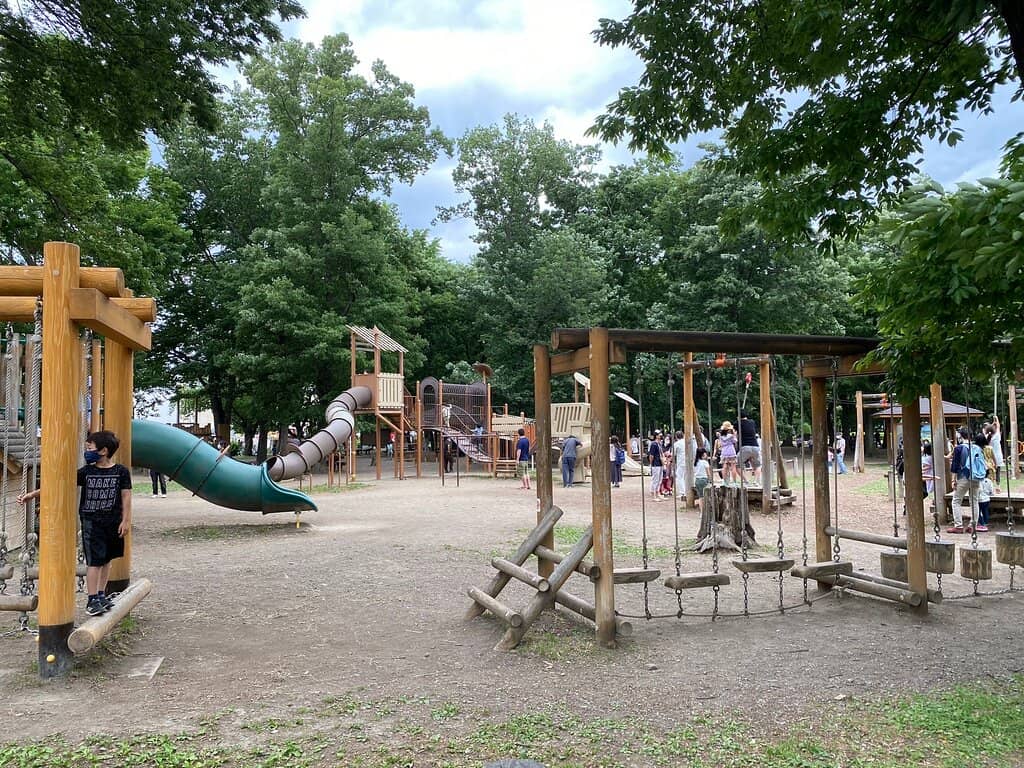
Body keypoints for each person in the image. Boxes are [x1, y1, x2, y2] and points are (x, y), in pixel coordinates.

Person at [19, 430, 132, 616]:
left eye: (90, 448)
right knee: (95, 561)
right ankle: (92, 598)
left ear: (103, 451)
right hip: (91, 521)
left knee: (107, 560)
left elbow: (126, 495)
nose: (87, 451)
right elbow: (60, 483)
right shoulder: (87, 472)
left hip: (113, 521)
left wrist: (126, 520)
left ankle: (101, 594)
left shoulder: (121, 472)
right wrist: (32, 495)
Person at [948, 427, 981, 534]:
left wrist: (953, 479)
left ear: (961, 436)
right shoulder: (977, 447)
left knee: (956, 501)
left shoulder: (959, 448)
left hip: (963, 477)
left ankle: (958, 525)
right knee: (974, 501)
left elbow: (955, 465)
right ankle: (973, 525)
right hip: (976, 477)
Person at [738, 411, 761, 482]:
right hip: (755, 446)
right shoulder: (752, 422)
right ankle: (756, 481)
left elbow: (735, 432)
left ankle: (745, 480)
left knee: (737, 464)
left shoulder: (738, 423)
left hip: (745, 446)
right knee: (758, 465)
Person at [717, 421, 739, 485]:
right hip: (731, 451)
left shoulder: (720, 436)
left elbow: (720, 444)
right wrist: (734, 434)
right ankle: (734, 482)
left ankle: (724, 481)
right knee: (733, 467)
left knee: (724, 467)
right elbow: (735, 441)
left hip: (724, 451)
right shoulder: (731, 436)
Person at [647, 430, 664, 500]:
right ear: (656, 436)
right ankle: (654, 494)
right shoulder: (654, 444)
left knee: (659, 479)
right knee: (656, 479)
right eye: (659, 434)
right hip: (655, 463)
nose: (661, 435)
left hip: (660, 463)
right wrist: (651, 464)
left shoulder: (659, 443)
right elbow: (651, 455)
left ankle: (657, 493)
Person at [694, 447, 711, 512]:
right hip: (704, 480)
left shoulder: (696, 462)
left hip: (697, 480)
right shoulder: (705, 462)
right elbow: (708, 473)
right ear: (703, 454)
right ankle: (706, 511)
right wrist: (710, 480)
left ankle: (702, 512)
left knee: (700, 497)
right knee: (706, 496)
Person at [988, 416, 1005, 484]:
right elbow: (998, 426)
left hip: (990, 457)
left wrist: (993, 423)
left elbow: (993, 428)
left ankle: (990, 486)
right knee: (998, 472)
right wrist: (996, 418)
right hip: (997, 457)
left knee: (990, 472)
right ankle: (998, 486)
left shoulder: (988, 437)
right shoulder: (997, 436)